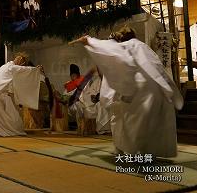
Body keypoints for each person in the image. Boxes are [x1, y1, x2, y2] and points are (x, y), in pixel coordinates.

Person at [72, 26, 183, 157]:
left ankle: (133, 151)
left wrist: (89, 41)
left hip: (141, 89)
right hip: (158, 88)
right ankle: (147, 152)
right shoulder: (145, 47)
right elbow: (158, 69)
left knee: (130, 123)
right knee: (150, 123)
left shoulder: (127, 46)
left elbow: (108, 50)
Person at [0, 53, 43, 136]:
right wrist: (36, 69)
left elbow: (21, 70)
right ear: (19, 60)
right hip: (0, 96)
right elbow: (24, 70)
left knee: (3, 117)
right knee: (13, 116)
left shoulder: (5, 66)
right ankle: (7, 130)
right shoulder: (11, 67)